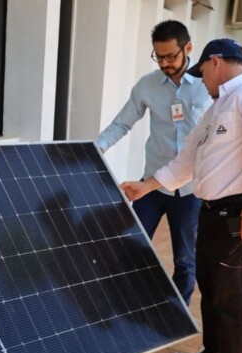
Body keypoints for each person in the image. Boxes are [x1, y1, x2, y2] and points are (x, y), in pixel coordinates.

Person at [120, 38, 242, 353]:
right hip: (213, 214)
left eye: (203, 73)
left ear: (215, 62)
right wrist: (147, 186)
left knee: (232, 298)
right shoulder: (218, 107)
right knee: (211, 289)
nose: (202, 80)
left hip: (241, 213)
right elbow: (186, 161)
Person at [96, 20, 211, 305]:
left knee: (185, 259)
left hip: (191, 191)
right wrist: (96, 148)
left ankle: (176, 315)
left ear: (188, 48)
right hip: (151, 186)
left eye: (171, 56)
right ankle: (123, 307)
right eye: (158, 56)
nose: (165, 63)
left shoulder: (207, 86)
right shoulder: (147, 86)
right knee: (131, 247)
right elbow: (122, 123)